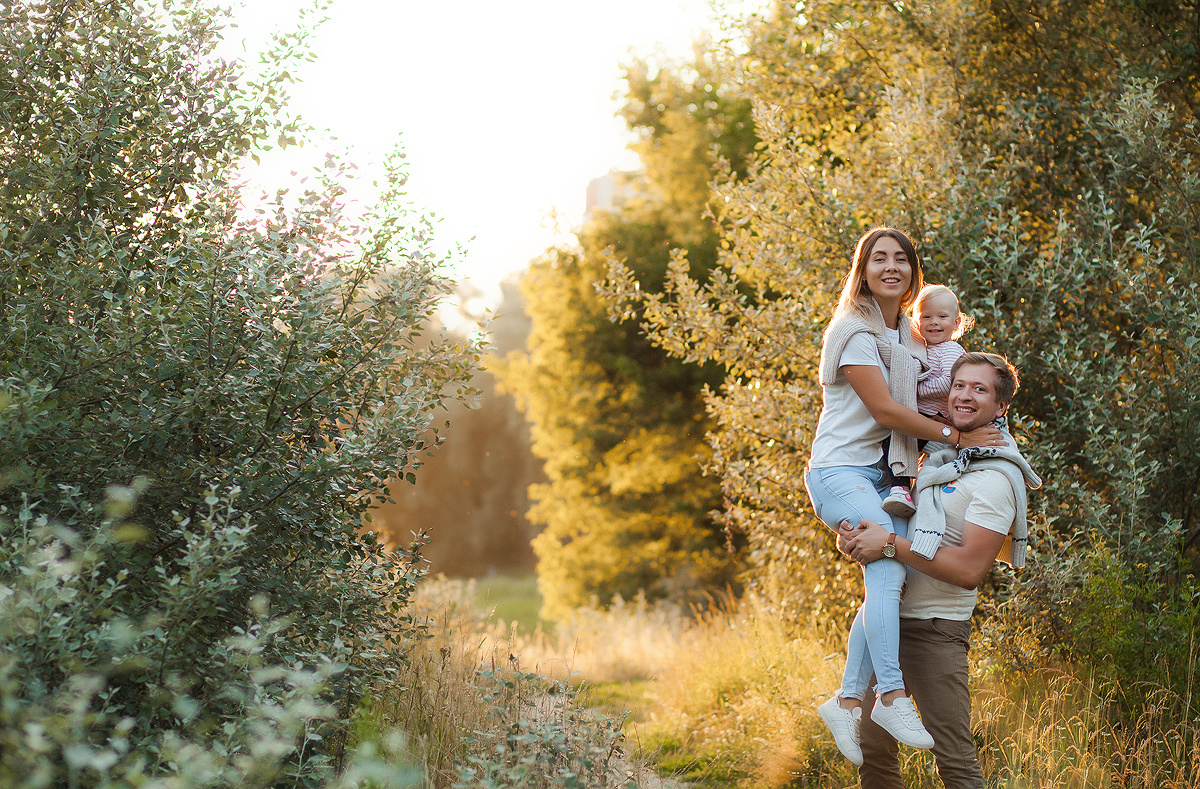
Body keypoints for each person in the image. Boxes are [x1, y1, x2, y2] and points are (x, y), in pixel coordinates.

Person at [803, 228, 1005, 766]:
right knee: (890, 569)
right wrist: (958, 437)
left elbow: (950, 383)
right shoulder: (855, 333)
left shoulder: (909, 338)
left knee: (884, 575)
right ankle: (889, 695)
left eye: (900, 259)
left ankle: (847, 701)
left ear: (913, 273)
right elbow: (889, 414)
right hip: (839, 471)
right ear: (862, 270)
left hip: (882, 476)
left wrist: (990, 424)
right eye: (878, 259)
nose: (889, 267)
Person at [842, 352, 1041, 789]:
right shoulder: (933, 461)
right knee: (872, 753)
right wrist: (862, 539)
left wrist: (890, 545)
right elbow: (898, 525)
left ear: (1001, 406)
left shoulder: (996, 477)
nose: (964, 396)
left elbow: (970, 569)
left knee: (952, 759)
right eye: (959, 385)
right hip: (887, 625)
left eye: (979, 389)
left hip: (936, 630)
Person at [881, 284, 975, 518]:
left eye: (942, 317)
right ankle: (904, 487)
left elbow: (948, 382)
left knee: (895, 440)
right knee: (893, 443)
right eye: (927, 316)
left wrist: (914, 389)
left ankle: (901, 489)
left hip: (930, 417)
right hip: (918, 416)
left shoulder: (951, 349)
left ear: (956, 323)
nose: (934, 322)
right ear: (916, 322)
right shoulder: (919, 349)